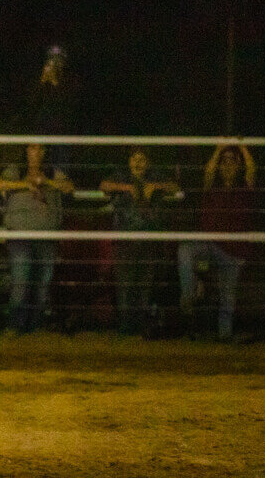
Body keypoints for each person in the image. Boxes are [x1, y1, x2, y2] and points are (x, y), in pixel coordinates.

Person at [176, 143, 256, 341]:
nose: (228, 164)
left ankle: (224, 336)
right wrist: (219, 149)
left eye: (232, 161)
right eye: (225, 161)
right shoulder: (212, 186)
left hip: (233, 251)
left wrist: (242, 147)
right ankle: (189, 296)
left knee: (227, 299)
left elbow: (251, 170)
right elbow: (209, 170)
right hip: (210, 245)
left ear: (238, 165)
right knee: (185, 250)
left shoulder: (243, 189)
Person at [99, 148, 179, 336]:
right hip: (125, 241)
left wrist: (156, 187)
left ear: (148, 162)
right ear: (129, 161)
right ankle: (126, 328)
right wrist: (127, 188)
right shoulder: (122, 176)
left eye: (142, 159)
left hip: (149, 240)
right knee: (125, 285)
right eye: (135, 159)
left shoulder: (155, 175)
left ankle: (141, 327)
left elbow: (175, 187)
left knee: (144, 285)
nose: (138, 163)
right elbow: (104, 185)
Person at [0, 143, 74, 334]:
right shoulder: (17, 170)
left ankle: (36, 326)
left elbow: (69, 188)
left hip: (47, 235)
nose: (36, 153)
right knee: (21, 280)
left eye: (40, 149)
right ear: (26, 151)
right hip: (20, 234)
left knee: (42, 284)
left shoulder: (52, 172)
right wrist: (27, 184)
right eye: (32, 148)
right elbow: (0, 184)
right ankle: (16, 325)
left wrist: (46, 182)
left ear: (45, 152)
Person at [23, 45, 75, 170]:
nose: (54, 65)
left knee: (60, 169)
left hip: (61, 134)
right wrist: (42, 81)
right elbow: (30, 105)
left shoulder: (70, 82)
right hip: (40, 133)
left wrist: (54, 81)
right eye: (52, 61)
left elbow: (67, 105)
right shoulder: (40, 82)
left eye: (58, 61)